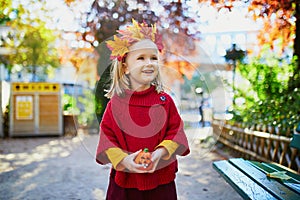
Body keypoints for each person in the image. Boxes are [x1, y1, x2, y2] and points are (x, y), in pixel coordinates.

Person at [95, 19, 190, 200]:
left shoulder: (165, 101)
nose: (150, 63)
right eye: (141, 58)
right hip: (124, 185)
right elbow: (107, 140)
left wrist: (159, 154)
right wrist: (125, 161)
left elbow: (176, 132)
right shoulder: (116, 104)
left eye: (154, 58)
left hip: (162, 183)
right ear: (126, 67)